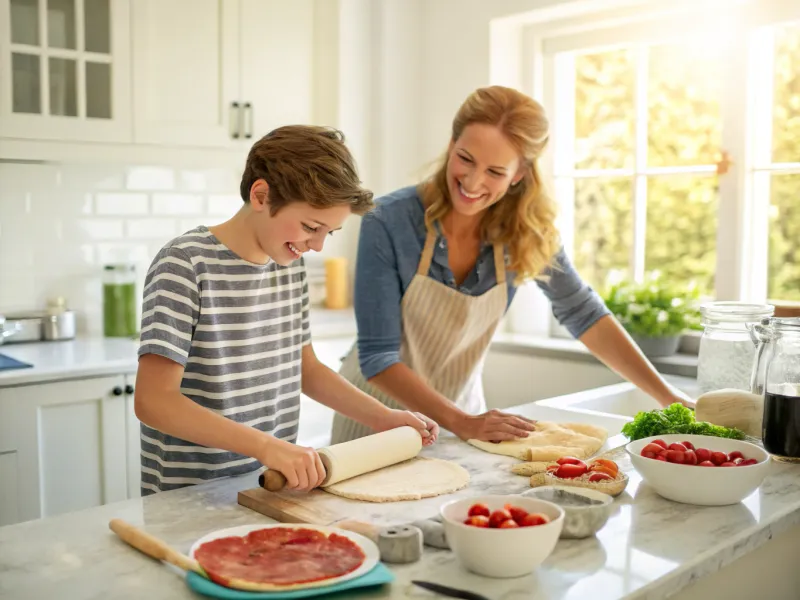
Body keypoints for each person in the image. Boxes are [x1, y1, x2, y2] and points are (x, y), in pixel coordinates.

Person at [331, 86, 693, 445]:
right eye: (466, 159)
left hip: (462, 420)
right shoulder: (389, 220)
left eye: (495, 171)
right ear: (451, 144)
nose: (473, 183)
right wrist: (464, 422)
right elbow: (377, 357)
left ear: (519, 174)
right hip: (375, 420)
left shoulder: (527, 232)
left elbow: (583, 313)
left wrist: (668, 397)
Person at [134, 125, 438, 496]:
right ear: (261, 195)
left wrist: (384, 418)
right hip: (190, 495)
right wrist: (266, 446)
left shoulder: (289, 265)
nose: (318, 245)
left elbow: (306, 370)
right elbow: (154, 401)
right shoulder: (185, 263)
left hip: (268, 488)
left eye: (330, 232)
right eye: (311, 226)